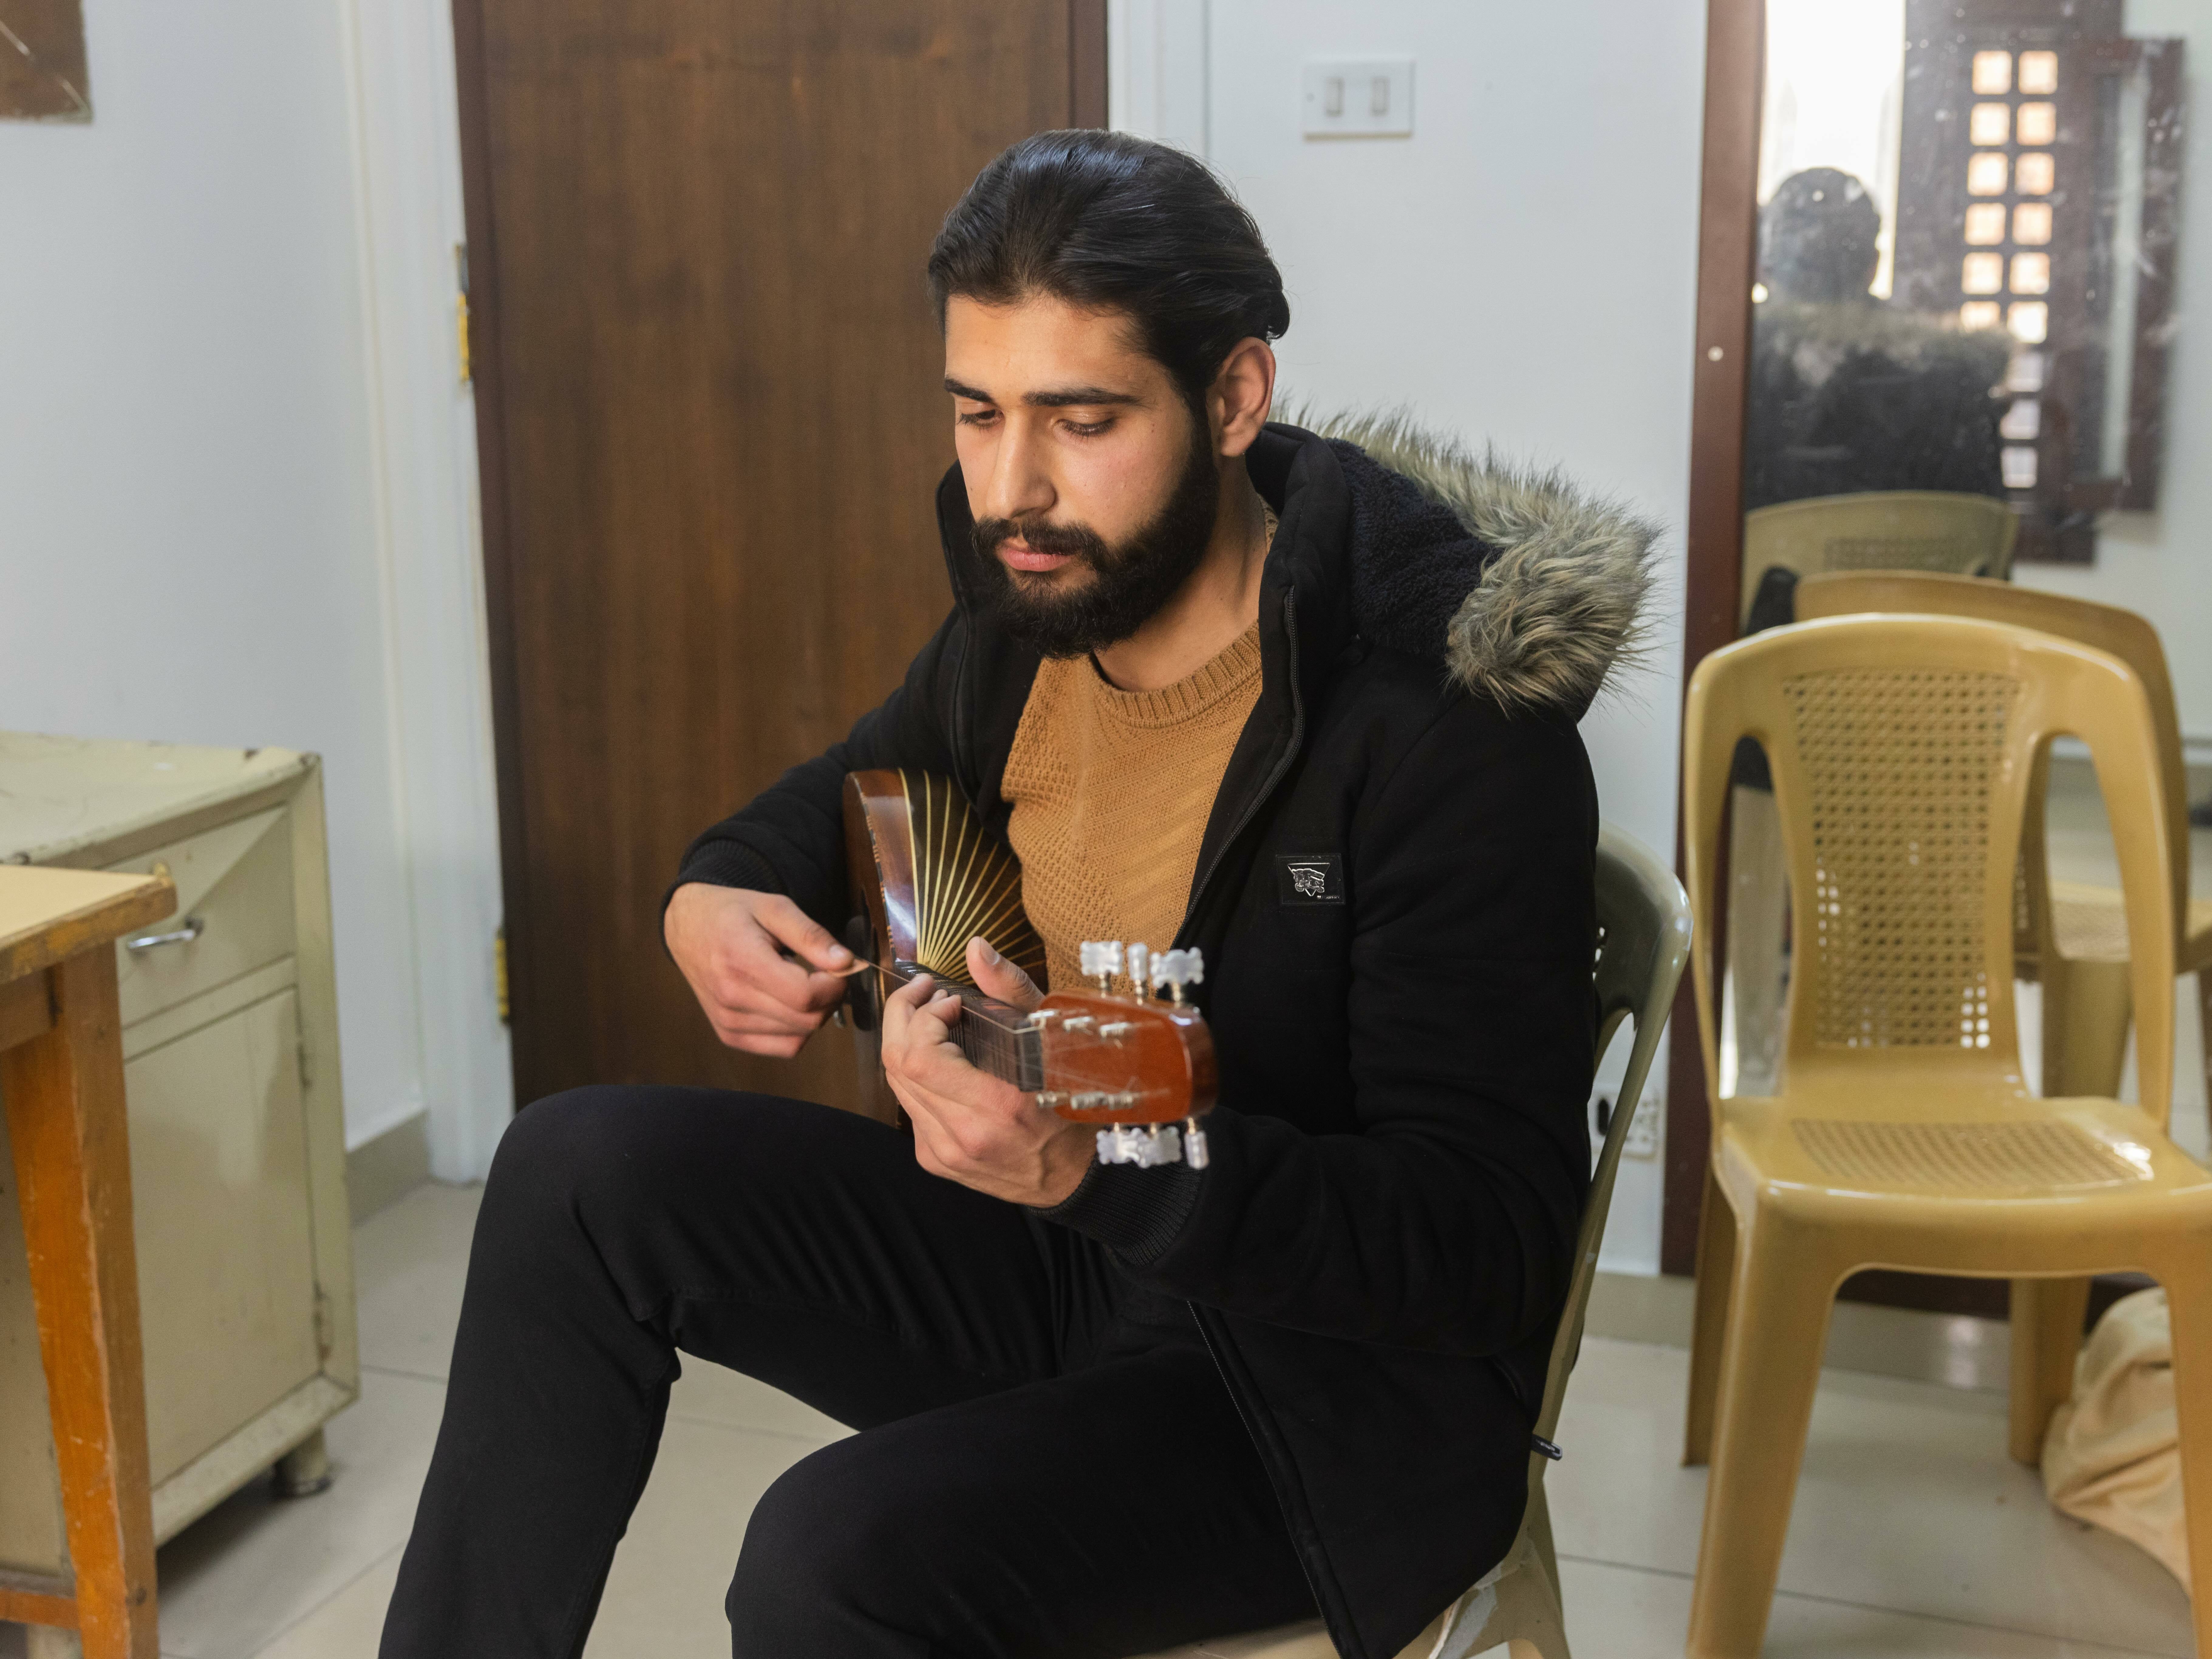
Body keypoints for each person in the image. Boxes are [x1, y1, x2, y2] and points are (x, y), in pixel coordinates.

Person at [380, 130, 1656, 1659]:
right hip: (1064, 1266)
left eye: (1082, 417)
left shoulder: (1444, 724)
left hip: (1307, 1399)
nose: (1012, 486)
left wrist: (1100, 1165)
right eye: (976, 413)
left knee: (826, 1555)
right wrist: (715, 889)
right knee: (575, 1168)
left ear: (1234, 397)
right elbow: (862, 782)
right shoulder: (1028, 614)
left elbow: (1481, 1248)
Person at [1744, 166, 2009, 511]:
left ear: (1762, 268)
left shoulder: (1724, 370)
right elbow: (1982, 535)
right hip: (1914, 565)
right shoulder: (1953, 373)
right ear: (1873, 266)